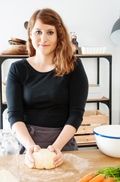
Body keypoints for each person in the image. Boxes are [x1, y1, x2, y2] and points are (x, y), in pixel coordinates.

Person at [6, 8, 88, 168]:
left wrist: (56, 147)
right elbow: (14, 116)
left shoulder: (74, 66)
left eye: (50, 32)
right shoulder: (17, 69)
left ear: (59, 36)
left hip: (63, 146)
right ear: (30, 35)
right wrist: (31, 147)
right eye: (38, 32)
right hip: (28, 146)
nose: (43, 38)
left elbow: (76, 114)